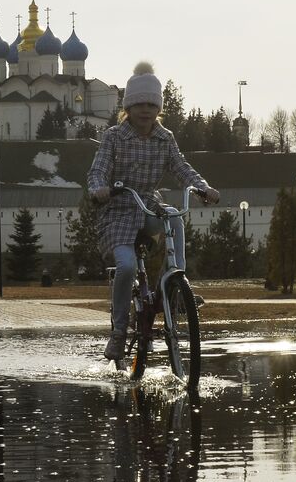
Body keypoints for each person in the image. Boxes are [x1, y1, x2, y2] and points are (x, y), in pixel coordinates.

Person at [87, 62, 221, 361]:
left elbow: (181, 167)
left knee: (174, 216)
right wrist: (98, 189)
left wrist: (201, 187)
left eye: (151, 104)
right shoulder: (113, 137)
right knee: (126, 267)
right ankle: (119, 332)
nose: (145, 111)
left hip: (147, 204)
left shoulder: (165, 138)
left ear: (158, 107)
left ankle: (174, 285)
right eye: (139, 104)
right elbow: (98, 170)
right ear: (128, 107)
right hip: (119, 210)